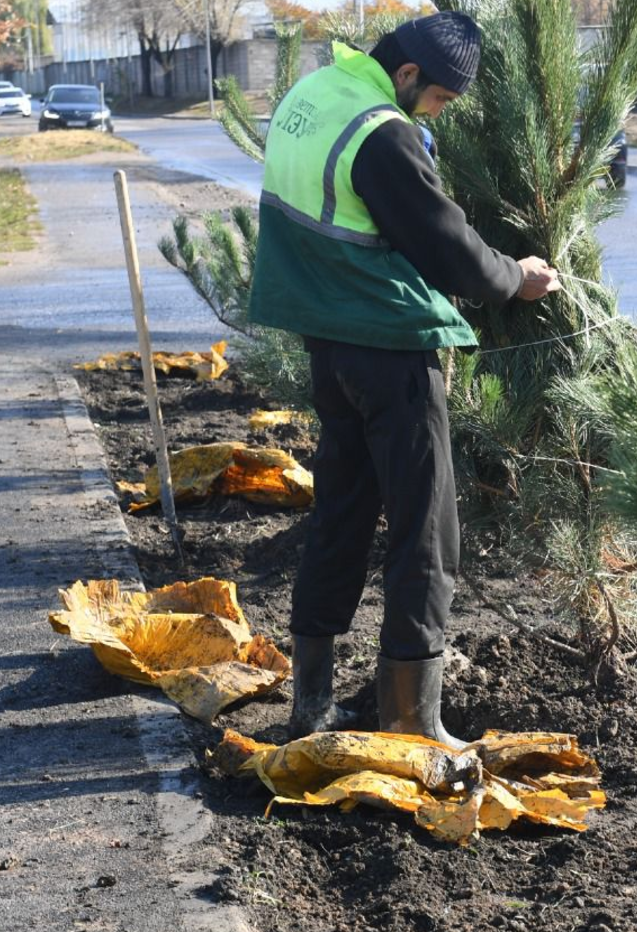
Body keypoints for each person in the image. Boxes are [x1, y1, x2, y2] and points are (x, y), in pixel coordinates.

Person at [247, 10, 561, 747]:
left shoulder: (316, 91)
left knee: (343, 513)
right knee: (425, 531)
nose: (438, 114)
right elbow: (447, 246)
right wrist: (517, 277)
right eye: (441, 100)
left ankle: (313, 703)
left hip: (327, 340)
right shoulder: (382, 130)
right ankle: (413, 722)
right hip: (388, 343)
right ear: (411, 72)